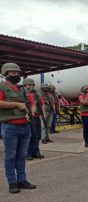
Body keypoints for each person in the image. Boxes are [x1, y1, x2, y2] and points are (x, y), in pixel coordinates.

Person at [0, 63, 37, 193]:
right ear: (6, 74)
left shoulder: (23, 89)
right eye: (12, 73)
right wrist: (17, 104)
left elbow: (33, 103)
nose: (16, 75)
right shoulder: (2, 87)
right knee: (10, 155)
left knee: (21, 155)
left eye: (17, 73)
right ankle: (12, 182)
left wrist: (31, 110)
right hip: (10, 126)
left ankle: (22, 180)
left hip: (25, 126)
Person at [25, 78, 45, 160]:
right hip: (28, 118)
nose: (31, 86)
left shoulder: (37, 93)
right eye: (29, 85)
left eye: (32, 85)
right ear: (24, 85)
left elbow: (42, 103)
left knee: (37, 136)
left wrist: (43, 114)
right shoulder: (22, 93)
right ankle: (28, 153)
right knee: (30, 136)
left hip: (36, 117)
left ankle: (36, 152)